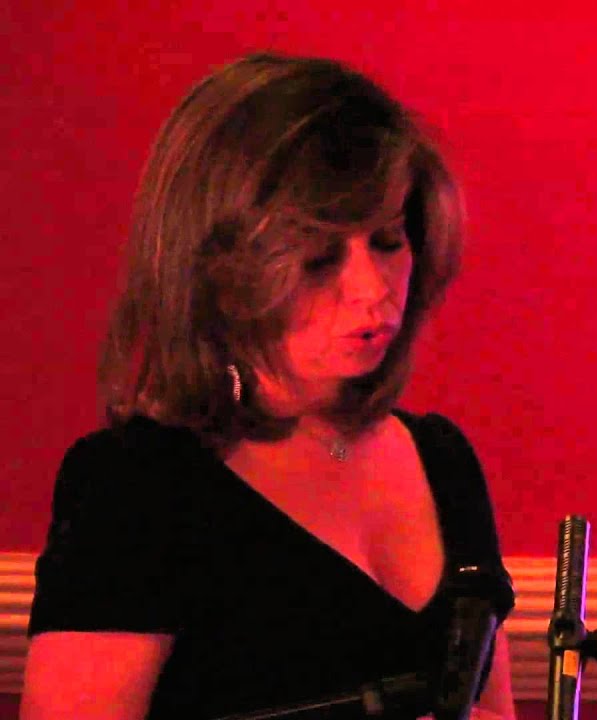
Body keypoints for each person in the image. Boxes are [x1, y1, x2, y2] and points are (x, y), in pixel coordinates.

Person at [19, 53, 516, 720]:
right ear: (222, 273)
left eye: (388, 241)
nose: (371, 289)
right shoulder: (140, 486)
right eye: (319, 257)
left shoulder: (442, 460)